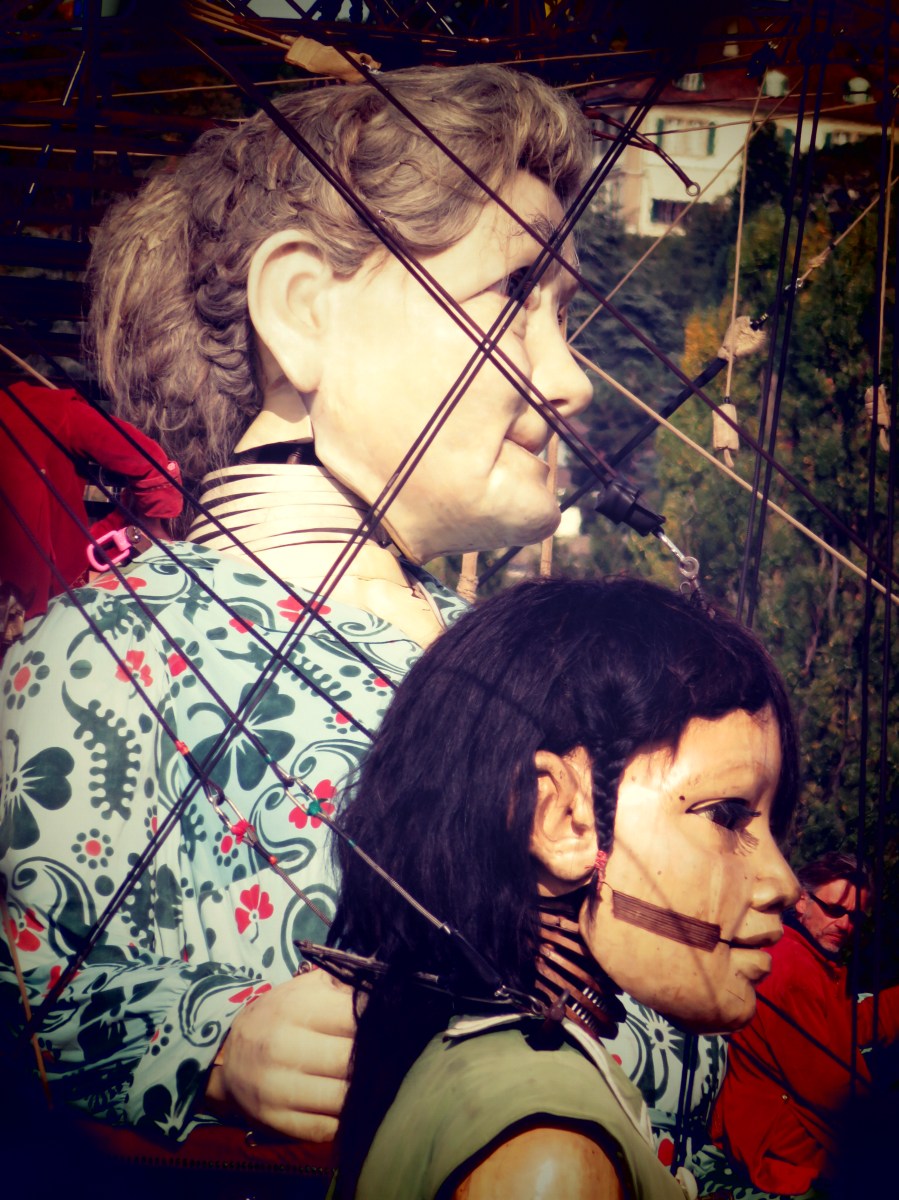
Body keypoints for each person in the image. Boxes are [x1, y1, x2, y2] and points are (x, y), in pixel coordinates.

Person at [0, 63, 593, 1156]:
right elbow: (30, 978)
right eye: (514, 297)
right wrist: (209, 1043)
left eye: (565, 314)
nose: (570, 378)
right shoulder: (102, 654)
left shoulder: (513, 665)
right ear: (304, 311)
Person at [328, 576, 801, 1199]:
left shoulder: (480, 1078)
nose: (783, 882)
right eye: (728, 814)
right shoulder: (549, 1157)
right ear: (560, 818)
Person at [711, 851, 899, 1195]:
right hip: (773, 1141)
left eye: (856, 916)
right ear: (802, 901)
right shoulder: (791, 966)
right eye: (834, 910)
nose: (845, 925)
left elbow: (845, 1025)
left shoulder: (810, 960)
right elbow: (830, 1083)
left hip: (784, 1124)